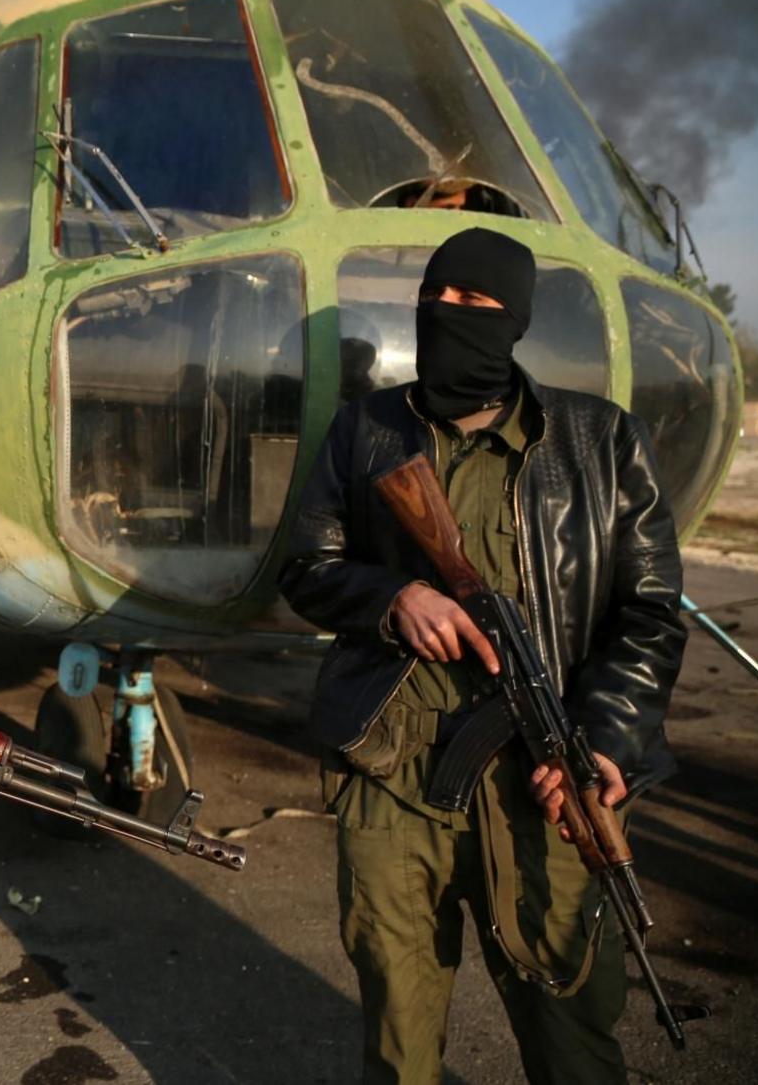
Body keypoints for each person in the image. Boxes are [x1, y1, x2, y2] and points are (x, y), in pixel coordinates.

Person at [279, 227, 687, 1085]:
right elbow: (305, 569)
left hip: (545, 782)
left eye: (473, 302)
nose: (446, 313)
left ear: (516, 320)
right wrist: (393, 599)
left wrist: (605, 737)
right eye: (437, 296)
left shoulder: (602, 443)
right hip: (395, 776)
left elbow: (649, 616)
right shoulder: (368, 430)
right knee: (398, 1030)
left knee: (571, 1029)